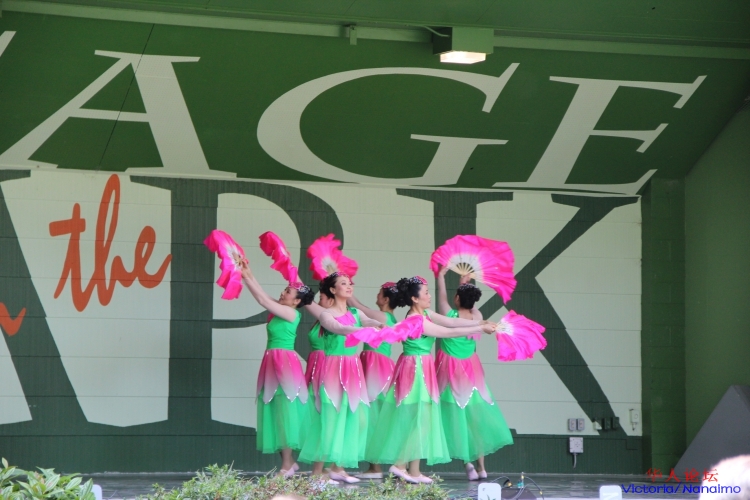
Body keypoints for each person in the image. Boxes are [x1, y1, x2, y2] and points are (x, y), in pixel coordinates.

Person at [365, 276, 497, 484]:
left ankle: (414, 470)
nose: (429, 296)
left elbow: (451, 321)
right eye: (426, 293)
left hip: (421, 365)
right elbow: (446, 332)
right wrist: (479, 328)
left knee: (421, 419)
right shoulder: (415, 320)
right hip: (415, 367)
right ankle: (400, 464)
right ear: (414, 298)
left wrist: (480, 322)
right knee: (420, 419)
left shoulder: (425, 314)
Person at [298, 272, 386, 484]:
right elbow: (338, 328)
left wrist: (385, 327)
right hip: (333, 368)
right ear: (332, 289)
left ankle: (338, 467)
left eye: (350, 283)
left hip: (353, 368)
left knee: (358, 419)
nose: (349, 286)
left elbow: (370, 321)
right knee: (330, 418)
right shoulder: (326, 315)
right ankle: (320, 472)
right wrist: (363, 330)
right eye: (343, 284)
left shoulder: (355, 312)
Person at [435, 266, 514, 480]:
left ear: (457, 299)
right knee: (474, 418)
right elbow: (468, 304)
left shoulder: (449, 314)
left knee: (458, 417)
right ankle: (481, 467)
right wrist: (465, 284)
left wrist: (441, 276)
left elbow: (441, 296)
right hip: (471, 370)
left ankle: (467, 463)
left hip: (450, 370)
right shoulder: (477, 316)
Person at [239, 259, 314, 477]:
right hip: (272, 361)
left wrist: (245, 276)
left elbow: (262, 299)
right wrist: (248, 273)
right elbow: (262, 296)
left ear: (297, 301)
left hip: (285, 363)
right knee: (276, 410)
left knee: (285, 410)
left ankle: (287, 464)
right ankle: (288, 463)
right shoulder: (282, 309)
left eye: (288, 291)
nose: (283, 293)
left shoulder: (291, 314)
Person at [348, 282, 400, 479]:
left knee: (372, 414)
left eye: (379, 294)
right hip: (376, 362)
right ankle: (374, 466)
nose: (376, 296)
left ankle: (376, 467)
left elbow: (357, 307)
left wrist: (346, 288)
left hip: (375, 365)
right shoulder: (389, 317)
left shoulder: (383, 317)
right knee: (372, 414)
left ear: (386, 299)